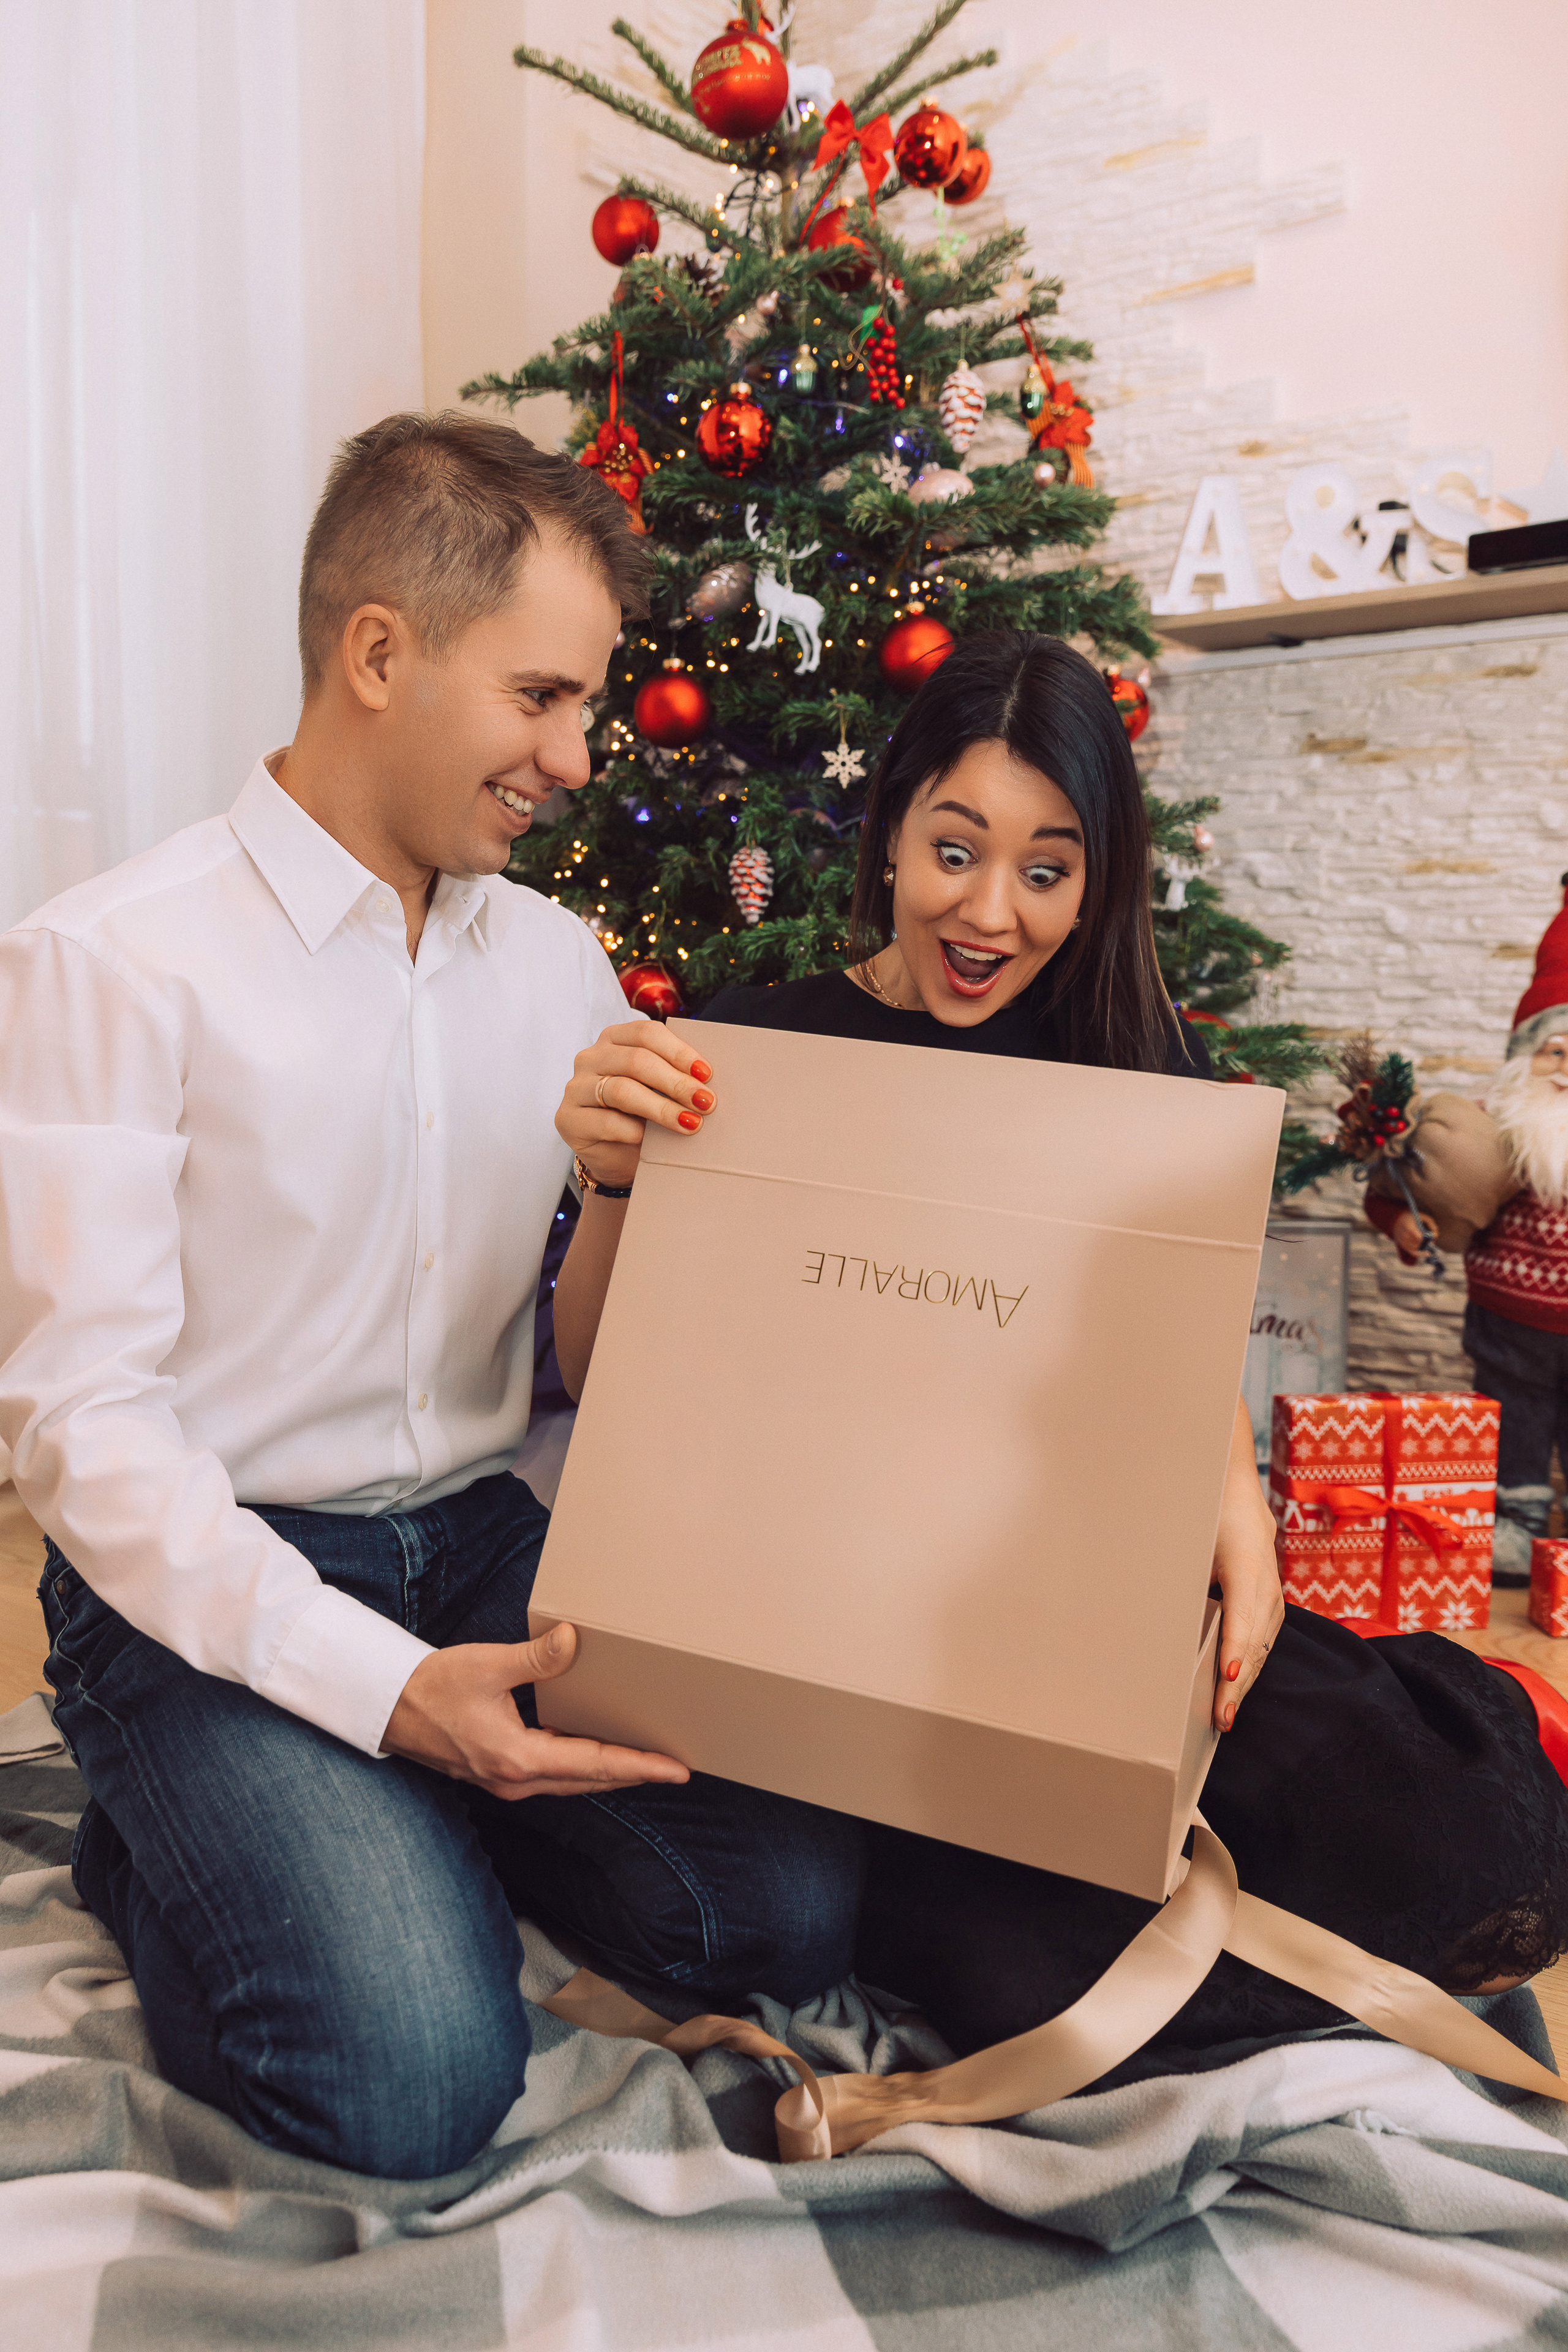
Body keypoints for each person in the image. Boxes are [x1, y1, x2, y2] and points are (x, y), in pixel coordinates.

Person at [0, 413, 862, 2182]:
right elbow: (83, 1434)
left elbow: (567, 1365)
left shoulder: (552, 962)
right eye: (542, 697)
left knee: (781, 1912)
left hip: (481, 1539)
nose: (576, 754)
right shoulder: (111, 961)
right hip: (215, 1572)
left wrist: (619, 1186)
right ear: (379, 653)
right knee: (406, 2081)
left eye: (588, 707)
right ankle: (181, 1837)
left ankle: (374, 1829)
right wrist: (380, 1695)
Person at [557, 631, 1568, 2067]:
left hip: (1073, 1616)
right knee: (1011, 1981)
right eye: (952, 850)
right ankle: (1334, 1987)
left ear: (1094, 879)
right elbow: (598, 1376)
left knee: (1474, 1836)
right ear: (890, 831)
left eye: (1046, 868)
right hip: (825, 1642)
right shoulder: (747, 1051)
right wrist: (609, 1184)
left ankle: (1401, 1799)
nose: (990, 911)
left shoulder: (1120, 1065)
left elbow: (1179, 1356)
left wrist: (1232, 1503)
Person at [1368, 897, 1568, 1583]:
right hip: (1506, 1327)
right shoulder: (1486, 1127)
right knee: (1512, 1423)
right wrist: (1398, 1223)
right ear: (1524, 1055)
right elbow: (1397, 1188)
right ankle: (1514, 1526)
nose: (1566, 1069)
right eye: (1555, 1051)